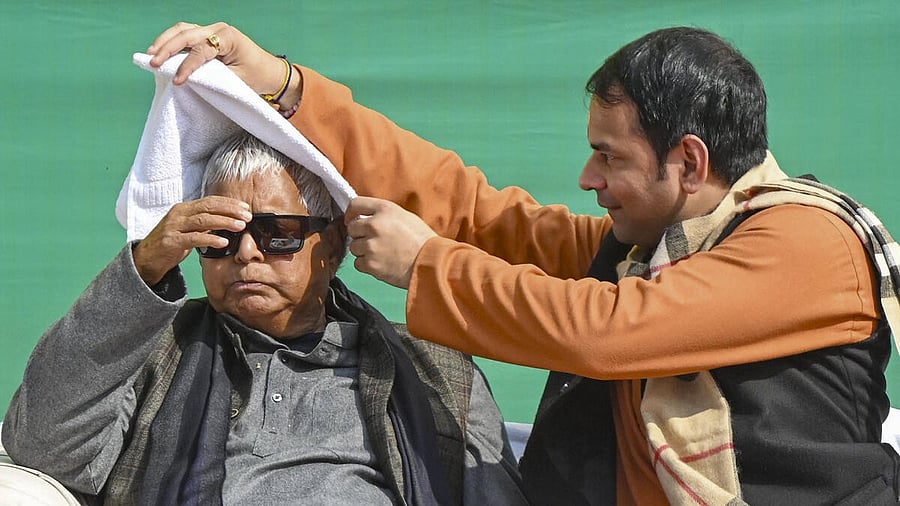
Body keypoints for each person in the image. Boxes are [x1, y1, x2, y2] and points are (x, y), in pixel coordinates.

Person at [135, 22, 900, 504]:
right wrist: (285, 87)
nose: (588, 179)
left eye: (609, 157)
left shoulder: (805, 242)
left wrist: (428, 266)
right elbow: (474, 212)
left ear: (688, 162)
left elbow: (606, 333)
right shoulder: (645, 250)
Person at [1, 131, 527, 505]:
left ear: (335, 242)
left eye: (279, 232)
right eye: (221, 235)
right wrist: (143, 269)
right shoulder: (152, 347)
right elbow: (44, 450)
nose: (246, 254)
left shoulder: (433, 368)